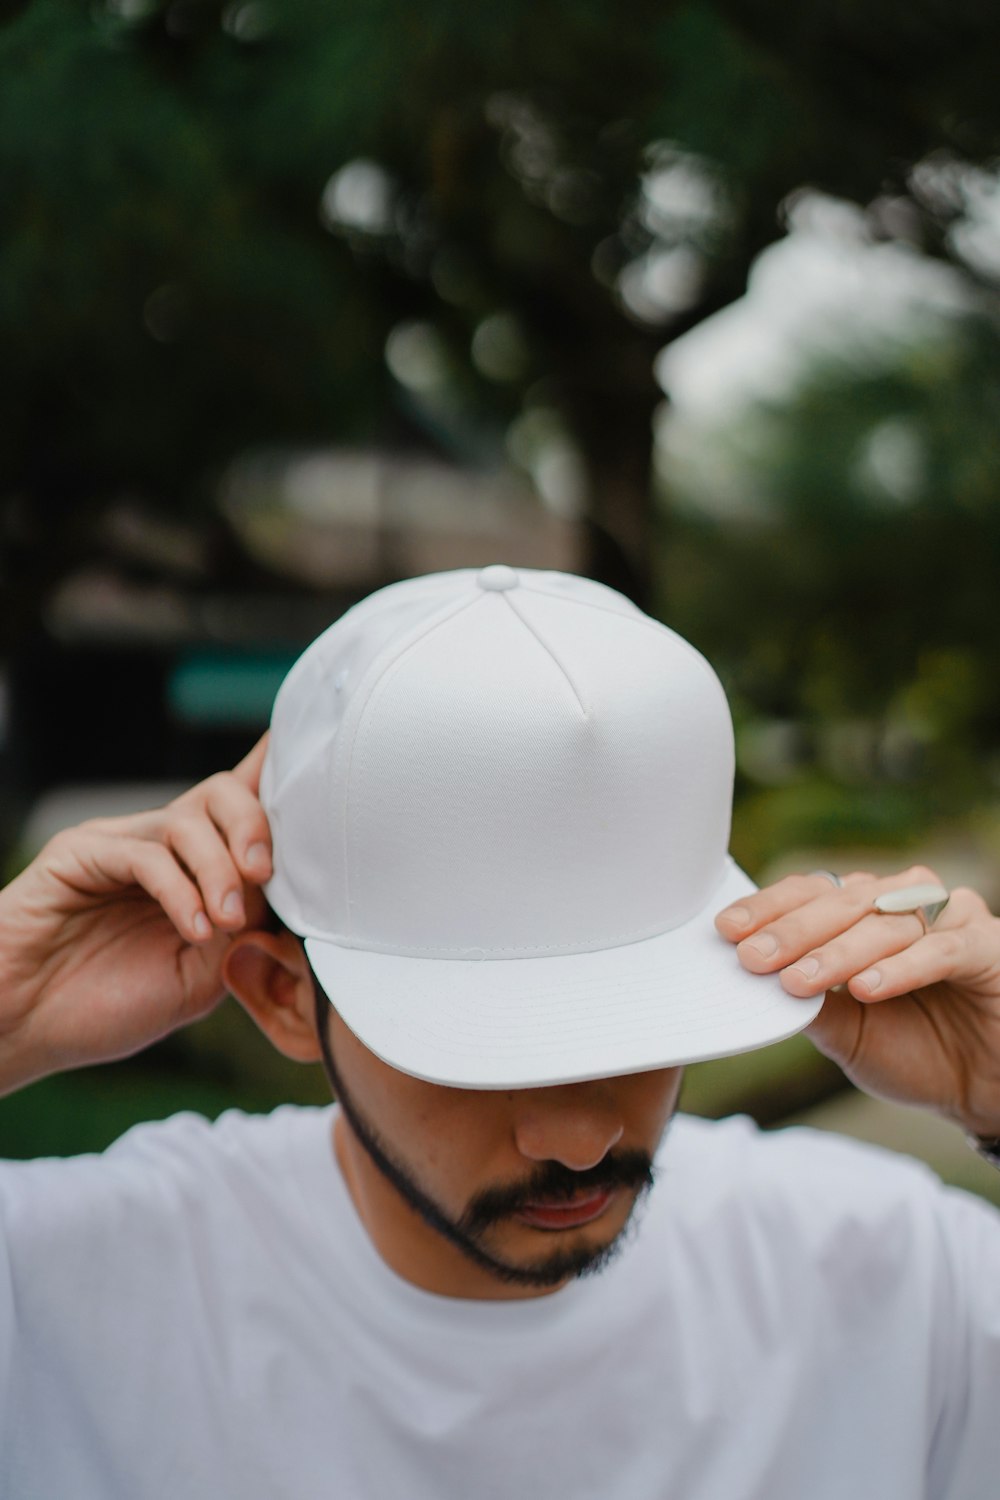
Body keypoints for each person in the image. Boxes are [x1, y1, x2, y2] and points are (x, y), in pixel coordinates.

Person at [1, 563, 999, 1499]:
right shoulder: (77, 1287)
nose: (578, 1139)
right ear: (282, 996)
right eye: (479, 1052)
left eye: (631, 1026)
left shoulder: (886, 1275)